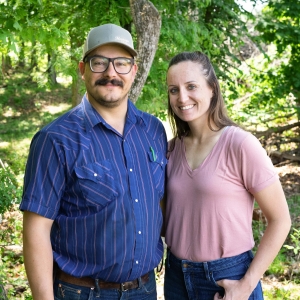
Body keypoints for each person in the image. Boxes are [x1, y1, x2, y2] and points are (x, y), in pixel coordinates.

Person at [20, 23, 167, 300]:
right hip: (83, 292)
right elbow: (36, 229)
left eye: (122, 63)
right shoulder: (55, 139)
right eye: (99, 62)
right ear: (82, 69)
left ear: (134, 71)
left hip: (145, 290)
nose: (111, 73)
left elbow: (161, 203)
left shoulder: (153, 131)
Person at [163, 51, 291, 300]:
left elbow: (280, 220)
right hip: (176, 275)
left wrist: (246, 285)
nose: (182, 97)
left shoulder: (239, 144)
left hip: (227, 279)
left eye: (191, 86)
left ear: (212, 89)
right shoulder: (171, 149)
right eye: (173, 90)